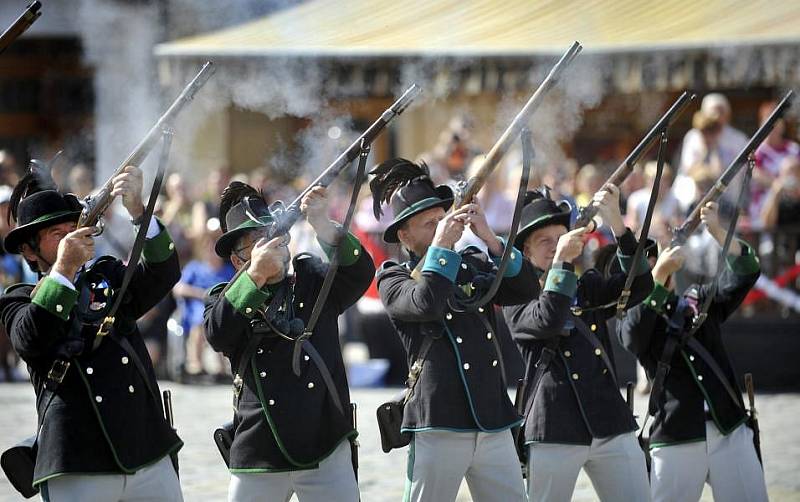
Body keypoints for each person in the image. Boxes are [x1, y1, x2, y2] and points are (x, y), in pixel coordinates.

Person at [0, 163, 183, 500]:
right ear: (28, 250)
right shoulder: (18, 299)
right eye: (58, 234)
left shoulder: (106, 275)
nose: (73, 237)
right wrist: (65, 268)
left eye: (75, 228)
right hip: (76, 459)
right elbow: (32, 338)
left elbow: (163, 274)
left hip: (146, 448)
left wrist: (139, 211)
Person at [370, 159, 538, 502]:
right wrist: (442, 246)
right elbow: (425, 302)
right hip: (438, 420)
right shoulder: (392, 276)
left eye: (441, 220)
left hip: (492, 416)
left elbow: (525, 289)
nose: (439, 227)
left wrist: (489, 238)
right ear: (404, 235)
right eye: (429, 223)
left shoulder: (472, 262)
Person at [203, 181, 374, 502]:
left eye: (270, 234)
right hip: (259, 446)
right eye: (255, 241)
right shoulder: (226, 297)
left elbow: (360, 273)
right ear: (238, 260)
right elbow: (218, 332)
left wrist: (324, 226)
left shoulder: (312, 279)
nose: (269, 244)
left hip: (324, 438)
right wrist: (255, 277)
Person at [503, 185, 653, 502]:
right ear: (526, 252)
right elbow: (548, 318)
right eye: (544, 241)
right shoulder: (515, 298)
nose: (554, 246)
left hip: (610, 418)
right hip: (554, 426)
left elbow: (640, 285)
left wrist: (617, 223)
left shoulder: (587, 287)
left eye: (560, 238)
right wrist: (561, 262)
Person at [618, 201, 768, 502]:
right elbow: (633, 336)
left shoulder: (696, 299)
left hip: (728, 425)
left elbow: (745, 272)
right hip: (676, 433)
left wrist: (716, 230)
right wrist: (657, 278)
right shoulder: (633, 316)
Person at [173, 218, 234, 382]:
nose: (211, 250)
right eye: (208, 246)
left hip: (221, 307)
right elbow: (178, 288)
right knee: (200, 322)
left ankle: (221, 369)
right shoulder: (195, 267)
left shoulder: (228, 270)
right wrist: (201, 294)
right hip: (197, 308)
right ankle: (196, 365)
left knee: (221, 319)